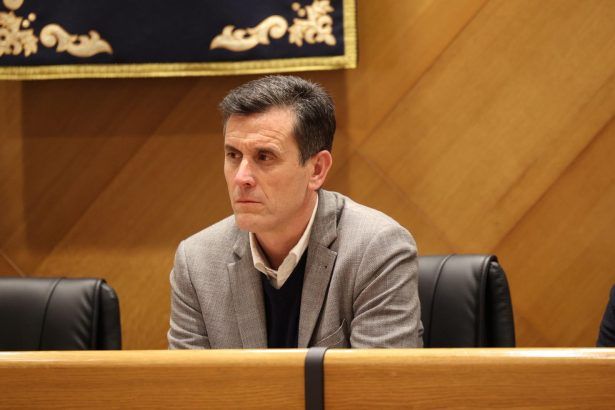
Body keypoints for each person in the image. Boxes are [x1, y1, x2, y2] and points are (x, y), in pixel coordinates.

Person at [167, 75, 422, 349]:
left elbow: (379, 376)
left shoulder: (376, 250)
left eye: (264, 157)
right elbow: (190, 378)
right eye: (233, 155)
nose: (241, 177)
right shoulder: (197, 262)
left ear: (317, 170)